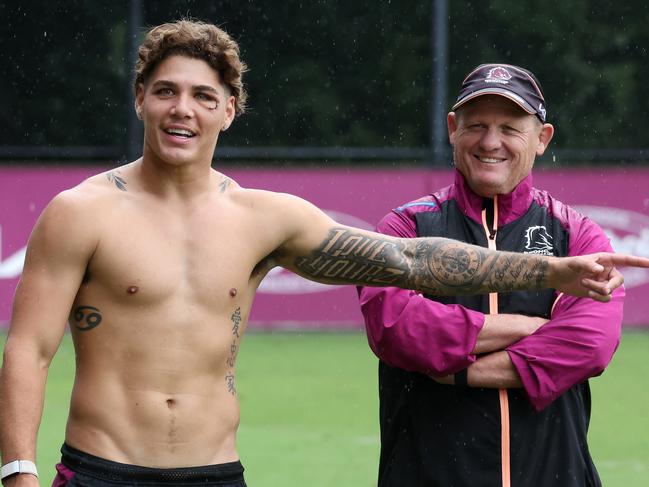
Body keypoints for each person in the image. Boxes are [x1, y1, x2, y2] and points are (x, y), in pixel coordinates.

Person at [0, 24, 644, 486]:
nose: (182, 109)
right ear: (140, 97)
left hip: (216, 471)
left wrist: (547, 270)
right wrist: (17, 472)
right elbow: (28, 350)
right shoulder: (80, 212)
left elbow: (410, 263)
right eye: (166, 91)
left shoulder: (265, 219)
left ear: (229, 110)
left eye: (202, 96)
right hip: (97, 470)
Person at [358, 63, 630, 487]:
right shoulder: (403, 228)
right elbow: (396, 328)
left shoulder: (577, 233)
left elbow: (590, 345)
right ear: (452, 129)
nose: (490, 142)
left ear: (542, 139)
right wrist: (527, 328)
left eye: (509, 128)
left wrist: (458, 371)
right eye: (477, 125)